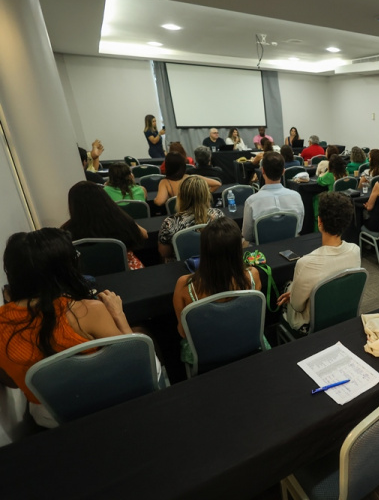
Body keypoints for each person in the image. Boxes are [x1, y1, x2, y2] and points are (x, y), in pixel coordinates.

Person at [0, 228, 133, 428]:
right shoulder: (88, 310)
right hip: (108, 402)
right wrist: (118, 314)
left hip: (50, 417)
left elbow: (11, 381)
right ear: (65, 268)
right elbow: (131, 361)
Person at [172, 217, 262, 363]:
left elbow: (183, 333)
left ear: (204, 250)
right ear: (238, 250)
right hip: (248, 347)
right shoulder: (253, 275)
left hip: (206, 357)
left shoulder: (184, 286)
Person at [277, 192, 361, 332]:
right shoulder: (355, 251)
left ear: (319, 222)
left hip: (310, 326)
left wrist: (293, 291)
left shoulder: (306, 263)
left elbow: (297, 306)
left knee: (287, 286)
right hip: (343, 316)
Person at [62, 181, 148, 270]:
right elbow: (144, 234)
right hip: (126, 270)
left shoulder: (66, 231)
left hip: (88, 274)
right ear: (104, 198)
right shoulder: (119, 220)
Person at [242, 151, 304, 244]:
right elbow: (298, 228)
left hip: (262, 249)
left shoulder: (251, 201)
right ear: (283, 171)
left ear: (262, 170)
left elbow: (247, 236)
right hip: (290, 246)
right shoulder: (296, 197)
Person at [157, 176, 225, 260]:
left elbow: (164, 253)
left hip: (183, 266)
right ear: (206, 195)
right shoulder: (218, 215)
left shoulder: (170, 222)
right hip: (213, 263)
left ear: (180, 196)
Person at [154, 152, 221, 208]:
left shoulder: (165, 182)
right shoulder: (192, 178)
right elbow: (217, 184)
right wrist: (202, 195)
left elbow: (159, 202)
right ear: (183, 165)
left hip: (179, 214)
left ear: (167, 166)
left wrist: (155, 200)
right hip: (198, 212)